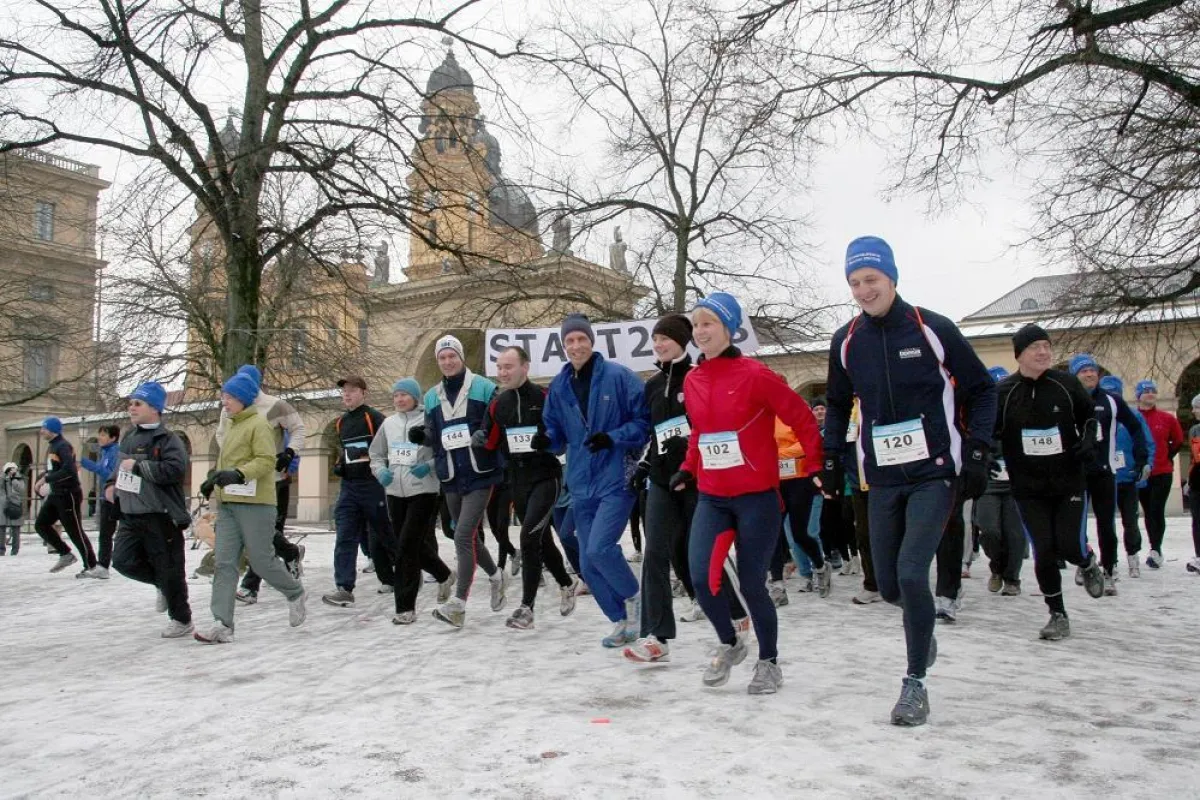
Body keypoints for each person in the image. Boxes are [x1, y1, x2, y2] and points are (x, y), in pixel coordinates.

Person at [823, 237, 995, 726]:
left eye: (871, 280)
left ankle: (914, 682)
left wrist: (978, 450)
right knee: (891, 585)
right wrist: (830, 456)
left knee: (913, 573)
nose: (864, 290)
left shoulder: (932, 328)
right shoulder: (846, 340)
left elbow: (982, 390)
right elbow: (837, 403)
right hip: (882, 477)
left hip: (934, 472)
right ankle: (922, 628)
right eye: (855, 283)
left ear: (892, 278)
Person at [668, 292, 820, 695]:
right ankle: (731, 642)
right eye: (696, 324)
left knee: (752, 585)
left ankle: (769, 662)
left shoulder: (755, 375)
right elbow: (700, 432)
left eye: (709, 323)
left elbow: (801, 416)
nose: (700, 331)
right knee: (701, 578)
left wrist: (817, 465)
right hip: (713, 496)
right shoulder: (693, 379)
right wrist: (688, 467)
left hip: (756, 497)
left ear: (729, 328)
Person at [623, 314, 746, 663]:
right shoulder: (651, 386)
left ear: (682, 340)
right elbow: (655, 434)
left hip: (698, 479)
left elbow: (714, 425)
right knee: (654, 554)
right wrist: (644, 466)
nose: (659, 344)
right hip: (663, 481)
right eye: (655, 339)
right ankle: (656, 636)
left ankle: (737, 613)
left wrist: (692, 452)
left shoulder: (699, 375)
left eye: (665, 338)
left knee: (702, 554)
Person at [544, 313, 651, 648]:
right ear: (564, 346)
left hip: (616, 476)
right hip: (580, 481)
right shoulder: (559, 386)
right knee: (588, 565)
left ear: (591, 341)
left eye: (581, 339)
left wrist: (613, 438)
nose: (576, 346)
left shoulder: (619, 377)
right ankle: (621, 620)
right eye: (570, 341)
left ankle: (636, 601)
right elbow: (555, 431)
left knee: (600, 548)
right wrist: (545, 439)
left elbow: (644, 422)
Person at [995, 324, 1106, 644]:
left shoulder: (1065, 383)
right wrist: (986, 454)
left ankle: (1086, 561)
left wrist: (1088, 439)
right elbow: (991, 430)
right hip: (1027, 486)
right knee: (1044, 551)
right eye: (1035, 347)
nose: (1043, 352)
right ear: (1019, 354)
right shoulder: (1005, 392)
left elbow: (1089, 417)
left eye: (1046, 346)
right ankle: (1057, 614)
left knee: (1070, 546)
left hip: (1068, 480)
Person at [195, 371, 307, 643]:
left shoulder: (259, 424)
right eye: (223, 397)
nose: (224, 402)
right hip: (229, 504)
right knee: (224, 563)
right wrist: (213, 480)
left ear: (243, 399)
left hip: (257, 503)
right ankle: (222, 623)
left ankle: (294, 592)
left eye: (229, 397)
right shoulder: (230, 423)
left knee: (261, 560)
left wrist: (239, 474)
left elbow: (266, 461)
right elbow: (226, 462)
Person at [476, 346, 579, 630]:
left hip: (546, 477)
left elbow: (563, 436)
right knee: (540, 540)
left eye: (508, 366)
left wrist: (548, 441)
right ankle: (567, 583)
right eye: (499, 367)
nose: (503, 372)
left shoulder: (545, 397)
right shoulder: (498, 404)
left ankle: (526, 608)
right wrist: (479, 438)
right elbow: (490, 441)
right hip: (517, 481)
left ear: (525, 367)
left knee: (528, 537)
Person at [422, 335, 509, 628]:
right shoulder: (432, 396)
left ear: (461, 358)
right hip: (450, 474)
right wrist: (423, 436)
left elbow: (497, 421)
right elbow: (432, 432)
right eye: (442, 357)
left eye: (452, 356)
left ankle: (458, 604)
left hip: (480, 472)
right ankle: (496, 576)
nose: (447, 362)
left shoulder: (484, 387)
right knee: (467, 536)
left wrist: (485, 434)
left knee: (461, 535)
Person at [107, 382, 195, 638]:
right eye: (131, 403)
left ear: (154, 408)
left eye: (138, 403)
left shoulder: (168, 439)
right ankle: (161, 584)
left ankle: (181, 619)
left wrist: (140, 465)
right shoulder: (129, 437)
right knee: (122, 561)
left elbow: (175, 470)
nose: (131, 408)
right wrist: (111, 485)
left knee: (170, 568)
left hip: (161, 515)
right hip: (130, 514)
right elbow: (119, 467)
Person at [217, 366, 307, 603]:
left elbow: (298, 428)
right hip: (240, 480)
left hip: (272, 478)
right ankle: (290, 552)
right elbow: (221, 435)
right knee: (256, 533)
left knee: (263, 533)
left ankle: (250, 586)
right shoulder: (229, 407)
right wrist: (232, 462)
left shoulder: (276, 405)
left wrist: (290, 452)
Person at [368, 378, 455, 625]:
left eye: (404, 395)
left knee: (405, 548)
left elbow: (445, 451)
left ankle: (405, 608)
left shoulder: (429, 420)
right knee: (411, 544)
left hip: (423, 491)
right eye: (396, 395)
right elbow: (375, 454)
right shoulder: (388, 424)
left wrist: (429, 466)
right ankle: (444, 574)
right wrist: (380, 472)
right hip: (395, 492)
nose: (399, 399)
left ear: (416, 397)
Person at [1068, 354, 1149, 594]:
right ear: (1075, 375)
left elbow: (1135, 427)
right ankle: (1085, 560)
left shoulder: (1112, 401)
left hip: (1105, 471)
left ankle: (1110, 570)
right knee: (1075, 525)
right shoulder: (1067, 399)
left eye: (1092, 370)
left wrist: (1142, 458)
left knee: (1106, 526)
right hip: (1076, 473)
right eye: (1083, 371)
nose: (1089, 374)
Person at [322, 376, 393, 608]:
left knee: (384, 534)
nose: (347, 394)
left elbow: (387, 448)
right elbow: (346, 451)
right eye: (344, 391)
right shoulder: (341, 422)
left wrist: (382, 469)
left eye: (352, 390)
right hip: (349, 487)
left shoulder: (374, 418)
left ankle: (406, 571)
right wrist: (340, 464)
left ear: (363, 393)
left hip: (373, 485)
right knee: (345, 535)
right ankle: (344, 588)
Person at [974, 366, 1025, 596]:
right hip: (989, 483)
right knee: (989, 530)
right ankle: (997, 567)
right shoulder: (981, 415)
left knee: (1015, 535)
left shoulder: (1022, 413)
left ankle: (1012, 579)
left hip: (1016, 484)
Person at [771, 414, 831, 604]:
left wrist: (776, 453)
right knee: (773, 534)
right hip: (774, 482)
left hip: (800, 481)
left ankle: (820, 566)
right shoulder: (762, 415)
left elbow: (807, 443)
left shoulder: (796, 412)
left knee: (799, 534)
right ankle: (778, 585)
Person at [1101, 375, 1154, 577]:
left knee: (1130, 521)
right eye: (1108, 393)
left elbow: (1147, 443)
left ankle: (1133, 556)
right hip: (1105, 478)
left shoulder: (1133, 416)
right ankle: (1110, 561)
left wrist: (1146, 464)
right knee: (1106, 523)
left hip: (1128, 477)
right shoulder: (1097, 414)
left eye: (1116, 393)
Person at [33, 416, 99, 575]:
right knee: (41, 525)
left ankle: (91, 566)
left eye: (44, 428)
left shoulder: (63, 446)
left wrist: (46, 479)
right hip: (56, 493)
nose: (42, 431)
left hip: (68, 494)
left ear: (52, 430)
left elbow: (69, 470)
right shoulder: (53, 446)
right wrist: (45, 478)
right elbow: (54, 469)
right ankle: (65, 553)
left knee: (75, 531)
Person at [1134, 380, 1183, 569]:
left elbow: (1178, 441)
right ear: (1138, 396)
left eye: (1153, 391)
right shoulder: (1133, 418)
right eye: (1146, 391)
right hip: (1140, 473)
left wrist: (1167, 457)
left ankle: (1156, 549)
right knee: (1147, 511)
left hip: (1162, 472)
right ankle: (1151, 546)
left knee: (1156, 509)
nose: (1150, 394)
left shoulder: (1167, 418)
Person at [80, 423, 121, 578]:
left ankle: (104, 565)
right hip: (106, 497)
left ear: (113, 438)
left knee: (108, 533)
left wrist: (87, 464)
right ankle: (102, 565)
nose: (99, 438)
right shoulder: (105, 452)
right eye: (100, 434)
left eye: (103, 435)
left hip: (114, 498)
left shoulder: (115, 452)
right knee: (105, 533)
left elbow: (110, 474)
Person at [1186, 394, 1200, 574]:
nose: (1193, 411)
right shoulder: (1194, 430)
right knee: (1197, 520)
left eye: (1197, 407)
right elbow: (1194, 457)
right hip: (1197, 480)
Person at [1, 462, 26, 555]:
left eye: (13, 469)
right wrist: (4, 478)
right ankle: (1, 549)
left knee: (15, 527)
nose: (11, 471)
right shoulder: (2, 478)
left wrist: (14, 479)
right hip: (2, 505)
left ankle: (15, 549)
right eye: (9, 469)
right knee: (1, 527)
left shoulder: (18, 479)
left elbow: (21, 489)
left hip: (15, 504)